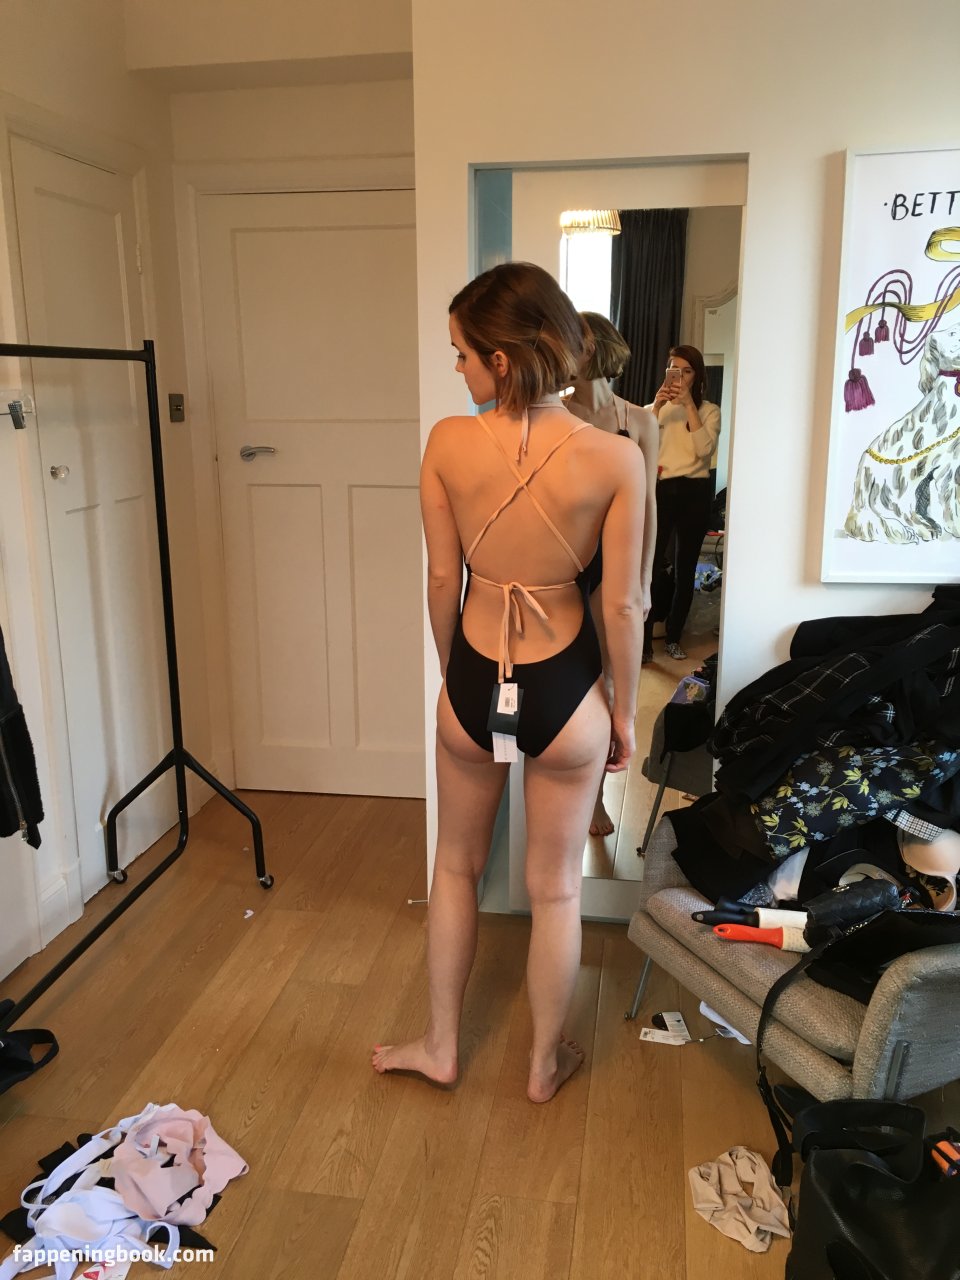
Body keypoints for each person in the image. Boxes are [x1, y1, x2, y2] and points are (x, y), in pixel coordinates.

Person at [372, 262, 645, 1103]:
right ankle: (542, 1063)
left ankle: (441, 1047)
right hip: (567, 693)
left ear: (500, 359)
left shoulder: (448, 444)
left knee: (455, 868)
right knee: (556, 888)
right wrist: (625, 715)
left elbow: (439, 579)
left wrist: (456, 676)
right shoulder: (616, 458)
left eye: (461, 354)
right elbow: (625, 605)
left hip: (472, 680)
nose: (456, 369)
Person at [565, 311, 657, 837]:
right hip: (565, 558)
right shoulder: (555, 416)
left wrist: (644, 579)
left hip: (616, 560)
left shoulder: (638, 421)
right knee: (570, 677)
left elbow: (649, 506)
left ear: (594, 347)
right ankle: (566, 787)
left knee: (607, 679)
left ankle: (596, 795)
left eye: (570, 343)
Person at [643, 345, 720, 662]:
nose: (680, 377)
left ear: (696, 375)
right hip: (660, 489)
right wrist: (656, 407)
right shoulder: (652, 409)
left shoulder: (709, 411)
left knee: (685, 569)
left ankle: (673, 637)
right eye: (674, 370)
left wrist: (689, 404)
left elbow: (704, 451)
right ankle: (644, 643)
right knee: (649, 567)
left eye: (687, 371)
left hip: (695, 492)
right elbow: (639, 448)